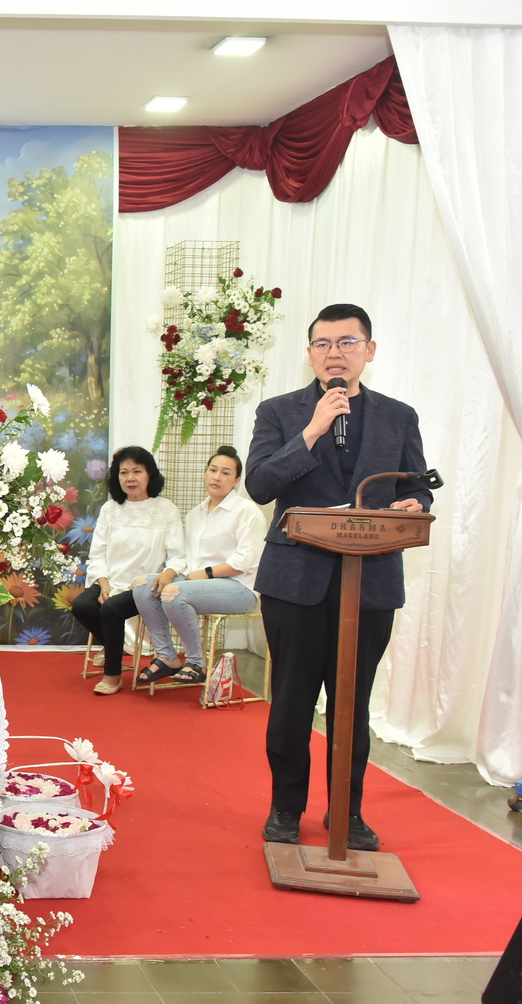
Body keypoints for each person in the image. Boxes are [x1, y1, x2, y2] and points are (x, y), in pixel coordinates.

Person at [245, 304, 431, 852]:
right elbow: (259, 485)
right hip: (294, 583)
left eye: (347, 342)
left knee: (353, 703)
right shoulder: (280, 412)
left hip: (369, 583)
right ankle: (286, 808)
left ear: (369, 351)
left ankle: (347, 812)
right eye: (323, 344)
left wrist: (415, 503)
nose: (335, 353)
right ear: (309, 354)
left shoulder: (399, 416)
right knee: (292, 702)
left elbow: (417, 485)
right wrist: (313, 430)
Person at [134, 445, 265, 686]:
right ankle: (167, 656)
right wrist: (168, 573)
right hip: (196, 583)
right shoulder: (195, 514)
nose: (217, 477)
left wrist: (204, 574)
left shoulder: (247, 512)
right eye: (213, 470)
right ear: (205, 473)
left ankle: (196, 662)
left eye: (226, 473)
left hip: (239, 588)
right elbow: (186, 558)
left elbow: (244, 561)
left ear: (237, 480)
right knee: (143, 586)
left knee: (174, 593)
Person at [71, 446, 185, 695]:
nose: (130, 478)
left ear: (150, 474)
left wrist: (164, 576)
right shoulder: (110, 509)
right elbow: (97, 554)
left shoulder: (166, 509)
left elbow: (177, 557)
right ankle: (115, 644)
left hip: (144, 585)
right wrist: (104, 584)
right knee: (82, 606)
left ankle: (112, 675)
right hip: (111, 581)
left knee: (111, 609)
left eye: (137, 471)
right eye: (124, 472)